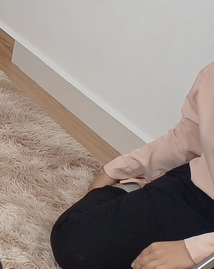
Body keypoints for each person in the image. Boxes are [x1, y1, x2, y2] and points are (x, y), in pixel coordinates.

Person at [52, 63, 214, 269]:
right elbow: (187, 140)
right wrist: (122, 168)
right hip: (199, 193)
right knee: (74, 243)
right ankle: (130, 192)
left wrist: (196, 251)